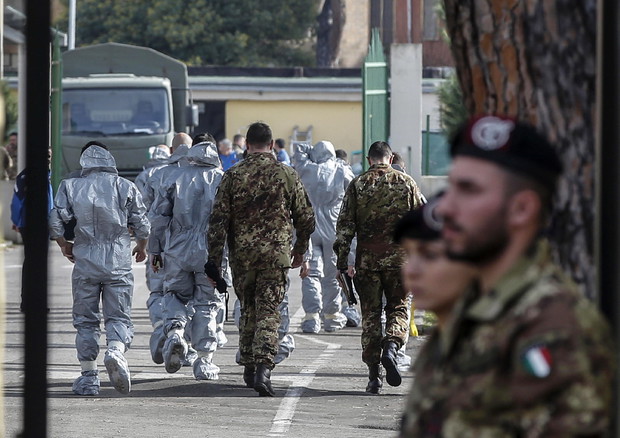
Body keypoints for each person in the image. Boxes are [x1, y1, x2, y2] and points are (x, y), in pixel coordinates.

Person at [409, 114, 614, 436]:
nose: (446, 209)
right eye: (451, 187)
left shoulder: (554, 329)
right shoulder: (472, 313)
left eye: (469, 190)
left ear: (521, 209)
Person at [207, 121, 315, 397]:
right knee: (269, 311)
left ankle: (249, 365)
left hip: (242, 257)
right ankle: (263, 368)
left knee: (249, 309)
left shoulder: (232, 175)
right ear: (270, 145)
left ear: (247, 145)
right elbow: (306, 217)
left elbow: (218, 222)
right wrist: (300, 249)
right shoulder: (286, 174)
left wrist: (214, 262)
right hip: (275, 255)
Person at [49, 144, 150, 396]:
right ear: (110, 158)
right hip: (118, 260)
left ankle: (89, 377)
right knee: (118, 317)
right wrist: (142, 246)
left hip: (85, 261)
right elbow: (143, 224)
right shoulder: (124, 186)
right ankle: (115, 350)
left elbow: (55, 219)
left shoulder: (70, 186)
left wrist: (64, 245)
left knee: (86, 321)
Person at [334, 140, 424, 394]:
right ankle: (392, 347)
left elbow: (344, 228)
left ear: (369, 159)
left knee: (371, 315)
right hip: (400, 261)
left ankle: (374, 376)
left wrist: (342, 263)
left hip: (368, 261)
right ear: (390, 158)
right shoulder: (407, 183)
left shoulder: (358, 184)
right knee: (398, 308)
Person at [393, 197, 478, 436]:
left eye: (430, 255)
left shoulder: (504, 343)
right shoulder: (446, 339)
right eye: (409, 255)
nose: (412, 270)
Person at [150, 135, 226, 379]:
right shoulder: (222, 179)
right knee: (206, 303)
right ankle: (204, 361)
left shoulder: (177, 176)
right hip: (210, 251)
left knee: (174, 294)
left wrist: (155, 250)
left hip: (178, 247)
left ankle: (174, 331)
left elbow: (160, 217)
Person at [294, 140, 354, 333]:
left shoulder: (306, 168)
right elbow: (354, 190)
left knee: (310, 272)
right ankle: (332, 316)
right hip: (333, 225)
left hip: (310, 226)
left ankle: (312, 318)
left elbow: (297, 149)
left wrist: (308, 151)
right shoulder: (340, 169)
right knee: (332, 273)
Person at [11, 148, 54, 312]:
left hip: (31, 224)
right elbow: (18, 201)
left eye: (49, 155)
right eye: (46, 155)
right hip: (35, 224)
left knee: (31, 262)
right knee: (36, 263)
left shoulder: (27, 174)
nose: (48, 159)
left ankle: (29, 301)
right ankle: (33, 302)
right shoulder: (36, 175)